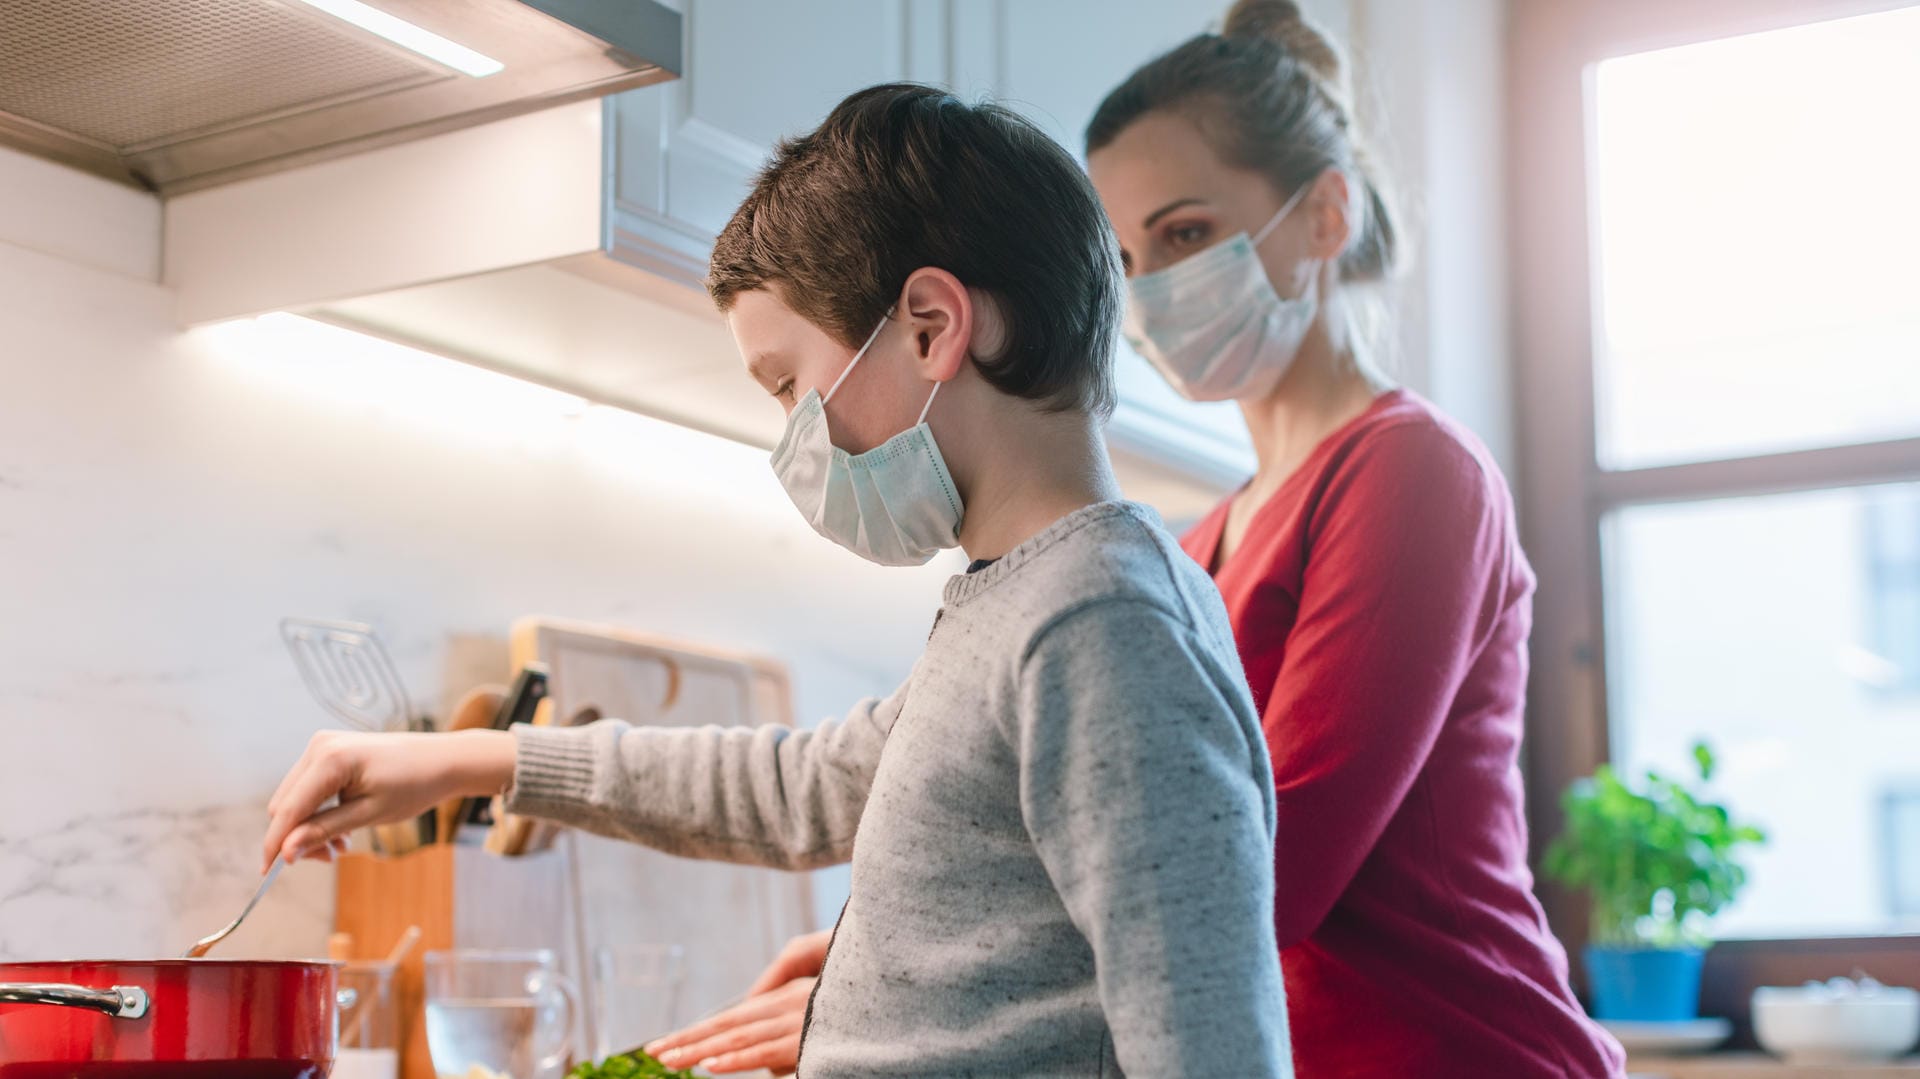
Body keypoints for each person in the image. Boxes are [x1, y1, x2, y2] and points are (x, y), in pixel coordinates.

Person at [647, 2, 1629, 1076]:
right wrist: (897, 956)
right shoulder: (1191, 544)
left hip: (1464, 1050)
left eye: (1188, 233)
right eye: (1126, 252)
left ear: (1324, 217)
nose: (1153, 285)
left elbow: (1249, 863)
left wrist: (916, 981)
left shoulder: (1409, 470)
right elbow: (1107, 833)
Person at [260, 83, 1293, 1078]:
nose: (794, 433)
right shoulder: (1022, 602)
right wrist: (473, 760)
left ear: (932, 326)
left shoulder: (1098, 624)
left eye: (790, 384)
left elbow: (1211, 1048)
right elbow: (801, 787)